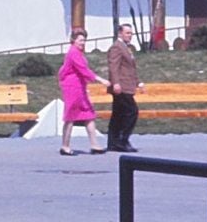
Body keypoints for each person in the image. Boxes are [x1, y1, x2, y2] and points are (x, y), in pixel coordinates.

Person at [58, 28, 109, 156]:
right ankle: (65, 146)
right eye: (80, 40)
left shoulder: (78, 52)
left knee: (88, 113)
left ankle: (94, 145)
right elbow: (83, 69)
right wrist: (100, 79)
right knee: (70, 116)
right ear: (73, 40)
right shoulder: (73, 52)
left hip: (79, 86)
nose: (83, 42)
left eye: (84, 40)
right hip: (72, 87)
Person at [106, 24, 144, 153]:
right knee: (131, 112)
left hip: (127, 84)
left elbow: (130, 68)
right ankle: (122, 140)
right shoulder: (117, 47)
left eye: (131, 33)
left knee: (118, 114)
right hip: (121, 87)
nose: (130, 36)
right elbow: (113, 66)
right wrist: (115, 83)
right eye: (127, 33)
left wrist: (138, 82)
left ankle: (113, 142)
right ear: (120, 33)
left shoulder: (126, 48)